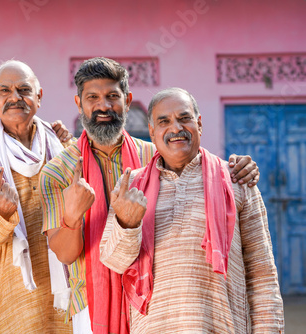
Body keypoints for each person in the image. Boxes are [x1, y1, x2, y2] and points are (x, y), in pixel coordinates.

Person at [39, 58, 260, 334]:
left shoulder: (153, 155)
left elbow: (200, 170)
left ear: (128, 100)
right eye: (92, 97)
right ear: (78, 103)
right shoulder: (58, 172)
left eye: (112, 97)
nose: (104, 106)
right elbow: (64, 254)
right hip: (91, 303)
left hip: (153, 303)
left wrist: (239, 169)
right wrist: (72, 217)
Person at [100, 87, 284, 333]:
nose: (175, 128)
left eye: (184, 118)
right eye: (164, 121)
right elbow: (114, 261)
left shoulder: (236, 181)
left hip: (220, 325)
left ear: (199, 124)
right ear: (152, 133)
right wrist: (128, 223)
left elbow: (262, 273)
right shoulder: (131, 187)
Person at [0, 60, 73, 333]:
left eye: (24, 89)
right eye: (5, 91)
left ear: (39, 97)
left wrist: (69, 146)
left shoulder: (64, 149)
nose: (15, 97)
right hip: (10, 297)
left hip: (64, 299)